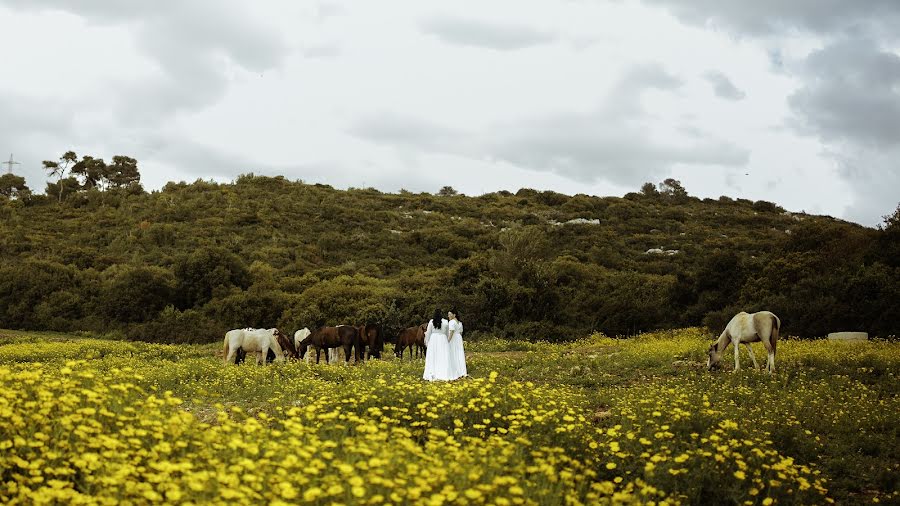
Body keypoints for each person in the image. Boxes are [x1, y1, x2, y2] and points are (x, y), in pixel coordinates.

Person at [422, 308, 452, 381]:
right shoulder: (445, 322)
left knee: (433, 356)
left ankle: (432, 373)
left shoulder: (431, 322)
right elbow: (448, 333)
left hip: (433, 340)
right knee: (442, 356)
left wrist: (427, 342)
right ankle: (443, 373)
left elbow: (428, 333)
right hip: (443, 340)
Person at [447, 308, 467, 379]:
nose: (448, 316)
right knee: (459, 354)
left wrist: (447, 341)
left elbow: (451, 332)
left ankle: (455, 370)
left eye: (449, 314)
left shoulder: (451, 322)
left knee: (453, 353)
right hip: (459, 338)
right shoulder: (460, 323)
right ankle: (462, 371)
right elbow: (461, 333)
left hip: (453, 339)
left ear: (454, 315)